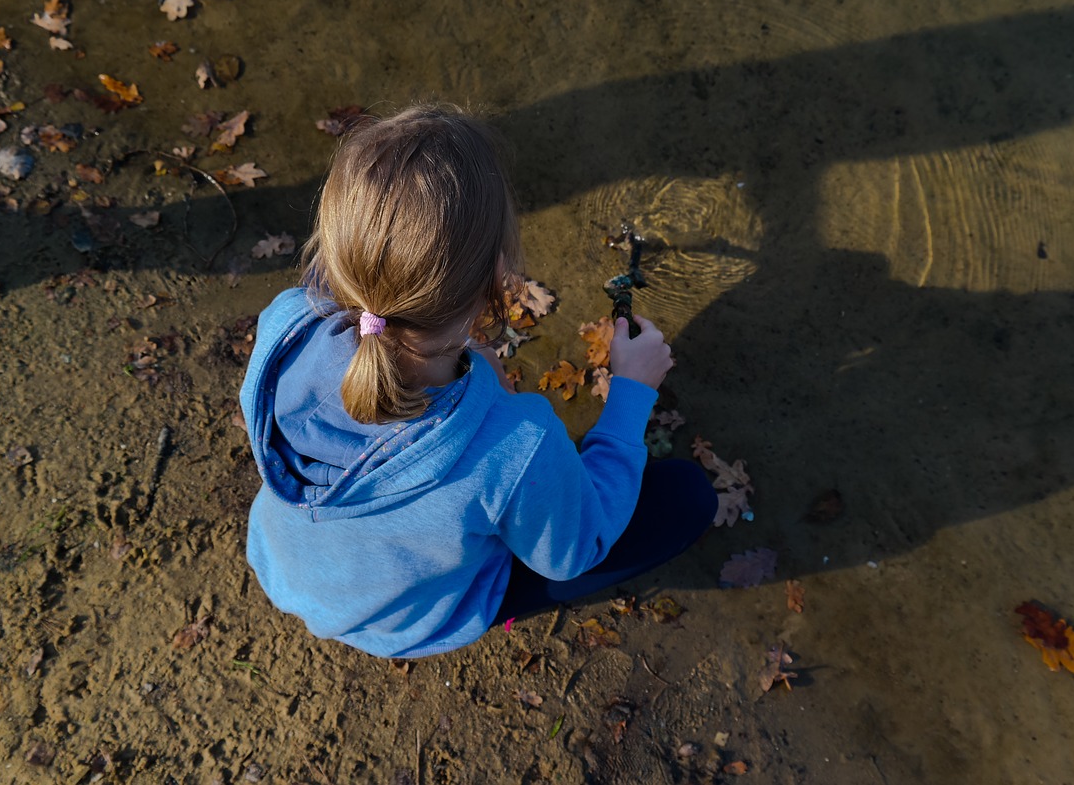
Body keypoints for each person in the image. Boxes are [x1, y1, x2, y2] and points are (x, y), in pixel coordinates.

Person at [240, 104, 718, 659]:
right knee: (687, 499)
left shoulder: (286, 322)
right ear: (499, 277)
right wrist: (632, 392)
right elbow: (573, 552)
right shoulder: (514, 443)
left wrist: (468, 362)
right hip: (410, 623)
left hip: (294, 574)